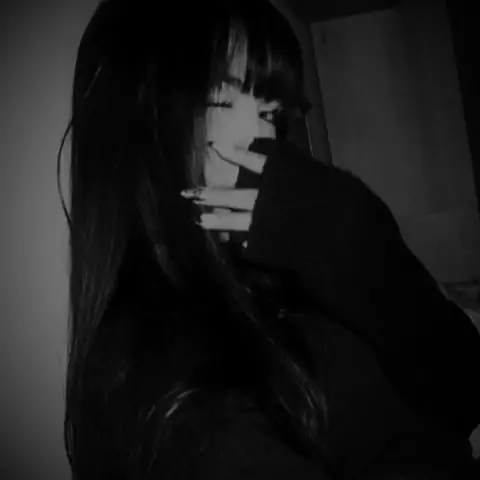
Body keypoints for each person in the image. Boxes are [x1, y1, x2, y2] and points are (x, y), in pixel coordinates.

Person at [59, 0, 480, 478]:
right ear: (135, 123)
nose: (260, 139)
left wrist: (366, 247)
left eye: (271, 113)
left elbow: (465, 390)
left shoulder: (291, 252)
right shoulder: (169, 386)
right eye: (220, 101)